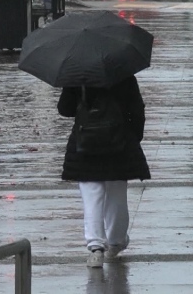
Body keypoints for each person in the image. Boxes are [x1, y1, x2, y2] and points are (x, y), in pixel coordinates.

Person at [58, 75, 151, 268]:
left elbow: (64, 109)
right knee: (117, 192)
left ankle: (96, 247)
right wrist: (134, 136)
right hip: (118, 141)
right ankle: (116, 240)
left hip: (86, 143)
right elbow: (136, 108)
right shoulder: (123, 73)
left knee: (92, 193)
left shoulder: (77, 73)